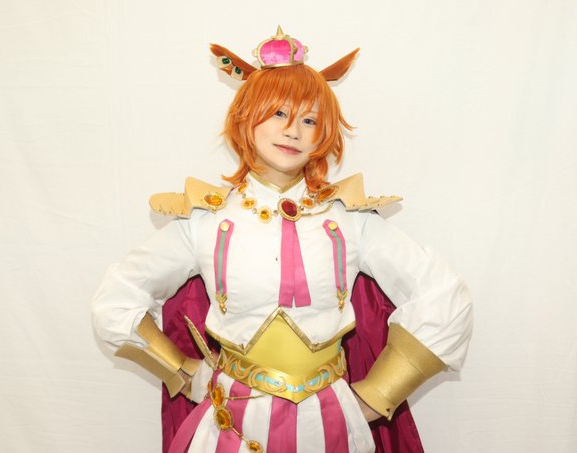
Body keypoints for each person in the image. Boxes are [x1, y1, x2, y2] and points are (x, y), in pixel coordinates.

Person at [91, 27, 473, 453]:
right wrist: (180, 371)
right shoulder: (205, 220)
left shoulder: (350, 219)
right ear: (245, 118)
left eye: (309, 120)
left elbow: (444, 295)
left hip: (331, 424)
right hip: (230, 424)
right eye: (278, 113)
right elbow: (116, 300)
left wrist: (378, 394)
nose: (293, 131)